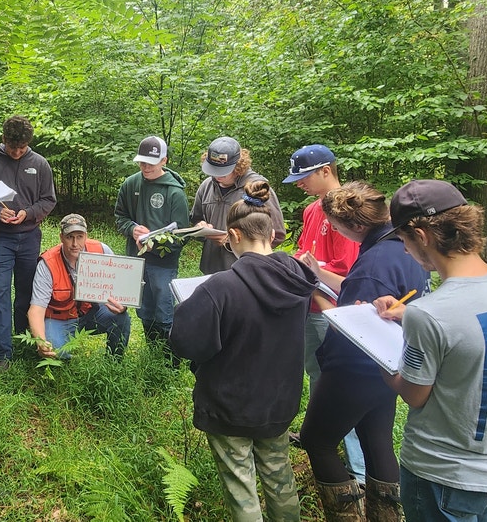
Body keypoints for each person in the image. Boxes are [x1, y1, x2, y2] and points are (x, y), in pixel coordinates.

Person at [374, 180, 487, 522]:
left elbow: (414, 394)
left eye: (404, 241)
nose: (405, 251)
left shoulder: (431, 313)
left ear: (422, 237)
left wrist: (379, 357)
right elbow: (474, 337)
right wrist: (409, 315)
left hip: (440, 474)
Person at [170, 180, 317, 522]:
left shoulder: (221, 286)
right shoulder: (299, 279)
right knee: (280, 476)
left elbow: (185, 342)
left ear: (233, 236)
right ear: (269, 231)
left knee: (241, 487)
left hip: (230, 403)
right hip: (279, 400)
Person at [297, 181, 430, 521]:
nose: (338, 233)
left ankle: (347, 515)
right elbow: (364, 291)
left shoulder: (373, 263)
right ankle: (386, 515)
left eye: (338, 228)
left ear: (355, 226)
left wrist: (313, 291)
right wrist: (321, 274)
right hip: (388, 363)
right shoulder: (402, 247)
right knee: (376, 439)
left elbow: (354, 315)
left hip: (354, 366)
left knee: (317, 440)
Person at [282, 144, 363, 479]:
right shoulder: (313, 209)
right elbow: (306, 251)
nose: (299, 183)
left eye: (305, 176)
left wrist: (312, 270)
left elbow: (349, 273)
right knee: (316, 373)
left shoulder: (348, 210)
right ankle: (317, 433)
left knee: (345, 385)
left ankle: (360, 470)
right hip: (309, 303)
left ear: (326, 170)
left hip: (332, 308)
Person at [0, 115, 57, 368]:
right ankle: (2, 353)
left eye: (22, 148)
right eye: (13, 148)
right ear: (4, 140)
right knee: (0, 293)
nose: (17, 152)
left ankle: (25, 342)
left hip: (29, 237)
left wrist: (28, 213)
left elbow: (48, 200)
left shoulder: (40, 164)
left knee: (27, 293)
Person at [113, 135, 190, 351]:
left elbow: (182, 234)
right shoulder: (131, 184)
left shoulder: (175, 193)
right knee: (144, 309)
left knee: (164, 310)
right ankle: (151, 351)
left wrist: (154, 242)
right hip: (136, 261)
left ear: (164, 161)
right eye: (142, 162)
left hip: (163, 264)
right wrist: (131, 229)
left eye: (151, 163)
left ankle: (169, 358)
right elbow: (120, 216)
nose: (145, 167)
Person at [25, 213, 131, 359]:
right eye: (70, 237)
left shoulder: (101, 251)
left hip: (91, 313)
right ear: (61, 237)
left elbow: (120, 288)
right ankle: (64, 355)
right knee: (54, 351)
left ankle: (114, 360)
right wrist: (41, 342)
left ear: (86, 236)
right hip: (59, 318)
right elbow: (35, 310)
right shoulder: (48, 264)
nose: (75, 243)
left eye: (80, 237)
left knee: (121, 318)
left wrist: (123, 306)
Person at [190, 136, 286, 275]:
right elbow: (196, 218)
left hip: (247, 272)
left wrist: (232, 242)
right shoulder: (206, 186)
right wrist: (201, 227)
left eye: (223, 170)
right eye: (213, 169)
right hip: (212, 270)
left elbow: (276, 234)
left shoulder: (257, 188)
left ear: (239, 165)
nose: (217, 175)